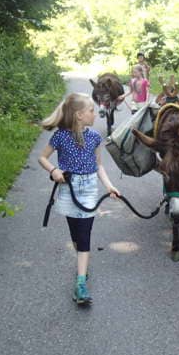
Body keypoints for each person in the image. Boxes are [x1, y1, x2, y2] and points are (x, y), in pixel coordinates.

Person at [38, 93, 120, 305]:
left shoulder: (94, 137)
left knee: (84, 236)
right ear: (79, 115)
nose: (95, 114)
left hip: (89, 190)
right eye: (91, 111)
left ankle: (81, 283)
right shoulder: (60, 136)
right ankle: (82, 264)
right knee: (76, 235)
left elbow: (99, 165)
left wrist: (110, 186)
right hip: (68, 190)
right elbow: (42, 157)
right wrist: (54, 170)